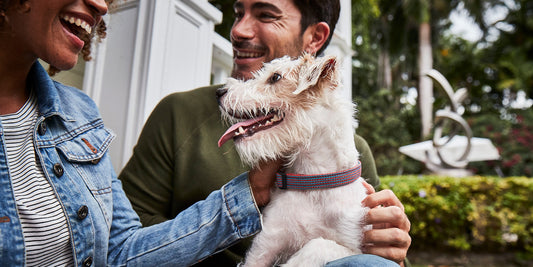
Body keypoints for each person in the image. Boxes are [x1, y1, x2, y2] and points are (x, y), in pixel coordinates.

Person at [119, 0, 411, 266]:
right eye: (238, 14)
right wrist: (243, 200)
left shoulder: (350, 154)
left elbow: (377, 258)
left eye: (265, 15)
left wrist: (394, 248)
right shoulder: (178, 113)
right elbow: (120, 239)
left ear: (315, 37)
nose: (238, 30)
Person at [0, 0, 283, 265]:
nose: (101, 5)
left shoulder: (79, 114)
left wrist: (249, 193)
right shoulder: (181, 111)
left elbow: (123, 251)